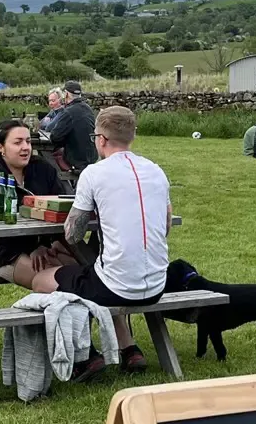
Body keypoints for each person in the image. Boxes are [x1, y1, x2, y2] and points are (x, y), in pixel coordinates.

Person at [37, 106, 170, 377]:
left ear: (100, 139)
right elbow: (165, 227)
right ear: (132, 137)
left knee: (42, 278)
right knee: (84, 268)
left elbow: (73, 235)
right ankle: (127, 347)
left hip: (116, 286)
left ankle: (83, 354)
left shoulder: (94, 174)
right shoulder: (156, 171)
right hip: (158, 284)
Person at [0, 121, 72, 288]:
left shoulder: (43, 169)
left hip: (45, 244)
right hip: (6, 251)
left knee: (85, 273)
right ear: (1, 148)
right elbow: (1, 225)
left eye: (28, 141)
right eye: (17, 142)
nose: (26, 147)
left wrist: (55, 242)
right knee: (59, 281)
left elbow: (61, 206)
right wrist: (33, 247)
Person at [44, 82, 97, 173]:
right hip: (92, 157)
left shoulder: (68, 112)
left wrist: (65, 141)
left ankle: (60, 186)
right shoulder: (88, 109)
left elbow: (55, 137)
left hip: (76, 160)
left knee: (47, 161)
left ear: (66, 94)